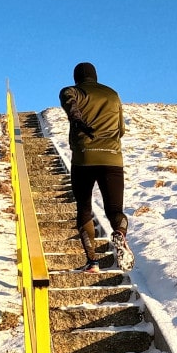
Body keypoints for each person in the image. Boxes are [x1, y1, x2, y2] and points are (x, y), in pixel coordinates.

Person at [58, 62, 134, 272]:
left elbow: (68, 96)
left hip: (84, 159)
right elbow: (121, 129)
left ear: (76, 77)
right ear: (95, 75)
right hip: (112, 159)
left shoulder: (76, 91)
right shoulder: (112, 94)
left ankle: (92, 262)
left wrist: (76, 118)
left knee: (84, 208)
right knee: (115, 211)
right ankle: (119, 232)